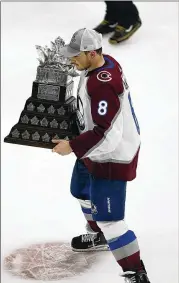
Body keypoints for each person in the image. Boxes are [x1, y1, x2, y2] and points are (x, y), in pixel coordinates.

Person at [52, 28, 150, 283]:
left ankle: (136, 273)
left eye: (76, 55)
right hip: (93, 147)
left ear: (92, 53)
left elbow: (108, 134)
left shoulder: (103, 84)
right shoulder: (97, 67)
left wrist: (73, 146)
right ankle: (99, 236)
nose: (71, 59)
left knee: (110, 219)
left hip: (110, 156)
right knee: (81, 190)